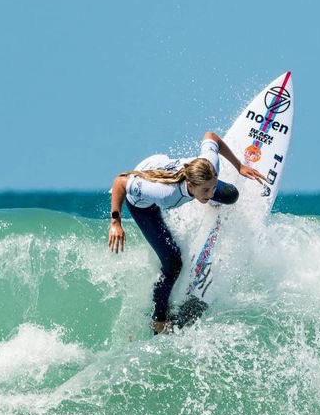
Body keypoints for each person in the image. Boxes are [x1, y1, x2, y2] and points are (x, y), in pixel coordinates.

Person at [108, 131, 267, 334]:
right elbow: (120, 181)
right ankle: (158, 319)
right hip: (142, 202)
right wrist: (116, 222)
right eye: (206, 191)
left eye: (213, 187)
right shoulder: (166, 194)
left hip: (167, 169)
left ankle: (212, 196)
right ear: (190, 185)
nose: (211, 194)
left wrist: (239, 166)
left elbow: (211, 136)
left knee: (230, 194)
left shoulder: (209, 165)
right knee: (173, 264)